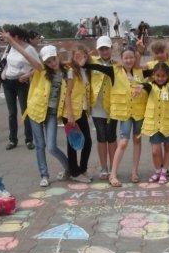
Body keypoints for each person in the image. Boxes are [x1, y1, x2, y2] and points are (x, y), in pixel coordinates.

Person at [0, 30, 71, 187]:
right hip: (35, 111)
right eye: (49, 61)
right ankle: (44, 175)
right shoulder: (41, 70)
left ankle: (69, 168)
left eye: (54, 59)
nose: (53, 63)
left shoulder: (66, 72)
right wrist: (11, 41)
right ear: (44, 62)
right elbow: (27, 55)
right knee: (40, 145)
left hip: (51, 113)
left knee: (51, 146)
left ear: (57, 56)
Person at [85, 46, 146, 187]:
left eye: (132, 57)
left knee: (137, 141)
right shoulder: (114, 70)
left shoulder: (140, 71)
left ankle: (134, 172)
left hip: (138, 112)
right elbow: (95, 66)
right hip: (124, 113)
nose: (129, 60)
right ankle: (112, 174)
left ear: (135, 58)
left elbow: (161, 74)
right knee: (123, 142)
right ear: (121, 59)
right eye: (126, 58)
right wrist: (84, 59)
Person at [136, 62, 169, 184]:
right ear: (154, 75)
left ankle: (164, 172)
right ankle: (157, 171)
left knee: (167, 148)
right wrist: (140, 86)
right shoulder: (151, 86)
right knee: (155, 151)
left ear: (167, 76)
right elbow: (145, 85)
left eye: (163, 76)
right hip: (154, 125)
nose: (160, 78)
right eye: (158, 76)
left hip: (168, 125)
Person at [138, 40, 169, 162]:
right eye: (156, 52)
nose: (159, 55)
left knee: (167, 142)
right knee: (157, 139)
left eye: (161, 52)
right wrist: (139, 51)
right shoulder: (150, 65)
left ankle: (166, 165)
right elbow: (136, 68)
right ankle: (161, 165)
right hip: (154, 107)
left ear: (167, 51)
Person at [0, 26, 37, 151]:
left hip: (21, 82)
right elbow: (3, 64)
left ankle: (29, 139)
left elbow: (39, 67)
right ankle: (13, 139)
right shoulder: (10, 47)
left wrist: (27, 75)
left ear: (16, 37)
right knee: (12, 113)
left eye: (8, 36)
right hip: (8, 82)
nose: (6, 38)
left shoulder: (29, 49)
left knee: (25, 112)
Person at [62, 46, 95, 183]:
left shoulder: (85, 71)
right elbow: (67, 94)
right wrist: (70, 115)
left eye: (83, 56)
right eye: (77, 56)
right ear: (73, 58)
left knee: (87, 141)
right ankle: (75, 173)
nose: (80, 58)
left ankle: (82, 169)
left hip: (81, 111)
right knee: (73, 143)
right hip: (71, 112)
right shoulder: (71, 72)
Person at [89, 36, 117, 180]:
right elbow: (76, 63)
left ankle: (114, 166)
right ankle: (104, 167)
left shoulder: (117, 65)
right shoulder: (92, 62)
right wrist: (89, 54)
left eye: (107, 48)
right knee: (101, 137)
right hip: (97, 106)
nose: (104, 51)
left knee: (111, 137)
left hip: (113, 106)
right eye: (101, 49)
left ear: (111, 48)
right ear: (98, 50)